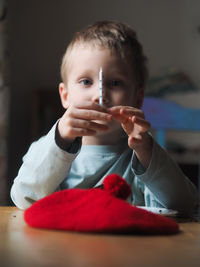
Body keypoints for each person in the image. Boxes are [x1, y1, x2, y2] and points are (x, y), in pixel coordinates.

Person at [10, 20, 198, 214]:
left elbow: (184, 205)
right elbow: (25, 198)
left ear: (138, 97)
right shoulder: (47, 150)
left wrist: (146, 149)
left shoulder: (146, 157)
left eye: (115, 83)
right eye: (85, 81)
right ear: (65, 96)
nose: (100, 95)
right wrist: (60, 138)